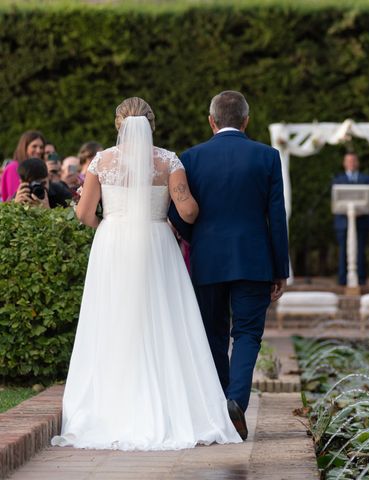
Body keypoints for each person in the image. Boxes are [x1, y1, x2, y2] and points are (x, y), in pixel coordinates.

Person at [51, 97, 242, 450]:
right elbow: (187, 211)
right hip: (157, 244)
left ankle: (112, 404)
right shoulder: (168, 161)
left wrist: (107, 225)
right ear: (152, 125)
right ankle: (172, 405)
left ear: (118, 125)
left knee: (113, 320)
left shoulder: (101, 161)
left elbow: (83, 213)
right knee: (164, 319)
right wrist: (179, 208)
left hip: (113, 245)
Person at [169, 91, 289, 440]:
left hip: (207, 260)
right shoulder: (267, 156)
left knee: (214, 334)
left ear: (212, 121)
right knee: (248, 334)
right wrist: (280, 267)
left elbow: (181, 213)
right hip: (254, 259)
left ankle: (222, 404)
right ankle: (235, 400)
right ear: (246, 120)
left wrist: (197, 240)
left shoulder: (191, 158)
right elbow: (277, 218)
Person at [332, 152, 369, 286]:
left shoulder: (366, 179)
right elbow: (335, 201)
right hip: (343, 222)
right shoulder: (338, 179)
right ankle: (343, 279)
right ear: (344, 163)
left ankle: (361, 279)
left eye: (353, 160)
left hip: (361, 221)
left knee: (360, 250)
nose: (351, 163)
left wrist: (359, 211)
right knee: (343, 250)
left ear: (357, 163)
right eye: (348, 161)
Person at [1, 130, 46, 202]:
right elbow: (13, 200)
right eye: (34, 146)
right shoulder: (14, 168)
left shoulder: (40, 169)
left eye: (41, 147)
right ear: (24, 147)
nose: (38, 151)